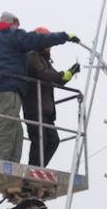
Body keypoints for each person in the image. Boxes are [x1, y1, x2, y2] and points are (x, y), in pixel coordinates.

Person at [0, 12, 76, 163]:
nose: (19, 28)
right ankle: (0, 166)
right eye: (17, 26)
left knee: (16, 130)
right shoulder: (10, 35)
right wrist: (64, 36)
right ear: (13, 23)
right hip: (8, 87)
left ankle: (12, 166)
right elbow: (35, 40)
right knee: (6, 128)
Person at [20, 29, 80, 167]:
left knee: (53, 141)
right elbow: (45, 75)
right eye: (48, 45)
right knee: (39, 141)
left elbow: (56, 79)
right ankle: (33, 170)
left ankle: (38, 168)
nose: (49, 48)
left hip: (46, 111)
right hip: (34, 108)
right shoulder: (32, 56)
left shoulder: (43, 60)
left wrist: (71, 72)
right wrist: (64, 74)